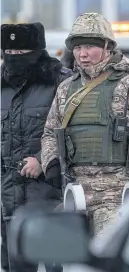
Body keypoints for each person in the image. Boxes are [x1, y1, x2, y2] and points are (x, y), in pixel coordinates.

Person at [41, 12, 129, 236]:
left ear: (107, 47)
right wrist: (50, 162)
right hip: (75, 193)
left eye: (90, 47)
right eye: (79, 47)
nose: (83, 54)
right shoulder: (66, 89)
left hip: (117, 196)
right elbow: (50, 132)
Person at [1, 22, 72, 272]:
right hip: (8, 195)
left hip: (49, 192)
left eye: (22, 54)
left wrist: (42, 159)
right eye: (10, 54)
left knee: (55, 263)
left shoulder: (60, 83)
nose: (15, 59)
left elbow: (72, 131)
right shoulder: (2, 85)